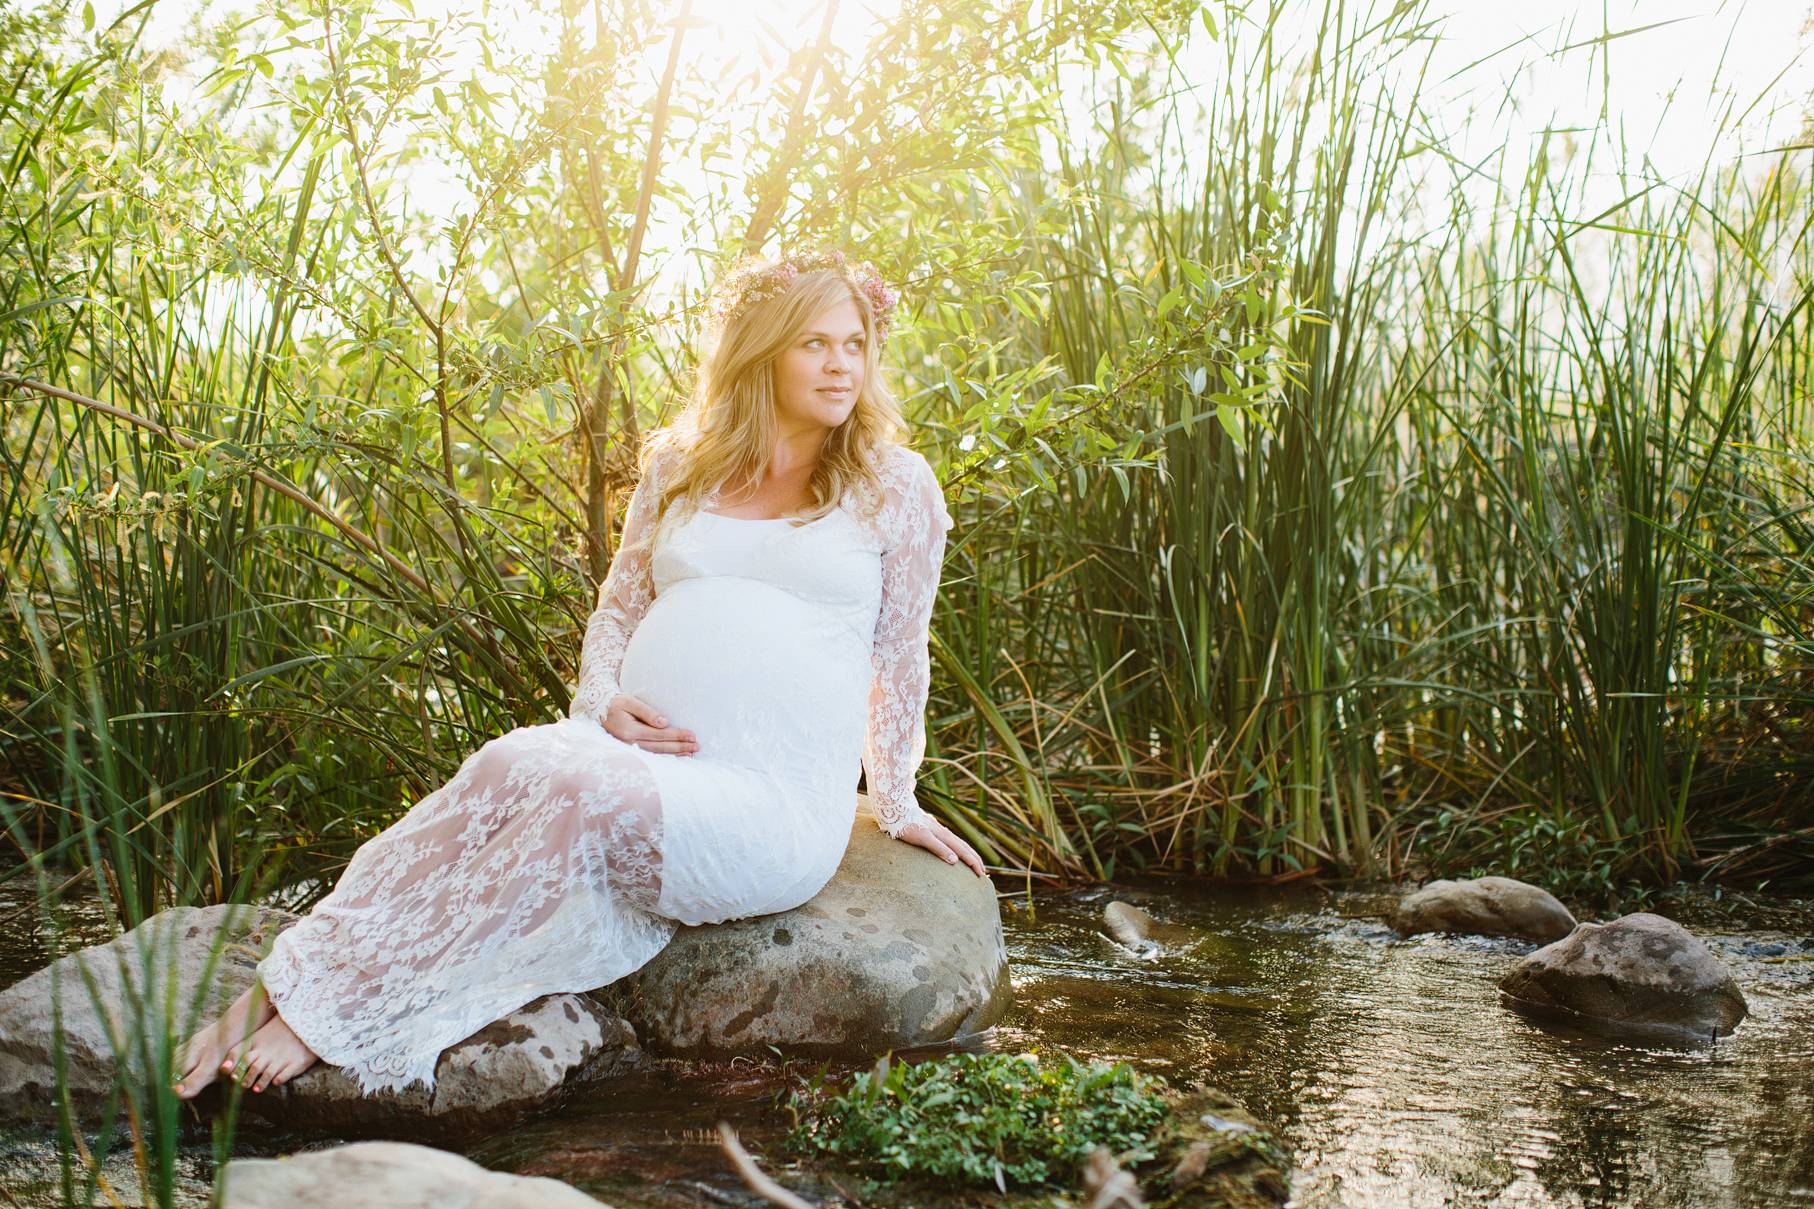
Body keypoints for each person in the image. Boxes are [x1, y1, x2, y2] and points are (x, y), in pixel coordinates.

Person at [174, 251, 985, 1098]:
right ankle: (285, 981)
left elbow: (900, 652)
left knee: (568, 798)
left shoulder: (894, 484)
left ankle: (331, 1015)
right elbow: (618, 606)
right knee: (505, 765)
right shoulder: (680, 463)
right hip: (640, 756)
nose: (841, 364)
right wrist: (601, 701)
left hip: (766, 800)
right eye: (815, 343)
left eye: (855, 343)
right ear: (761, 351)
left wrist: (895, 798)